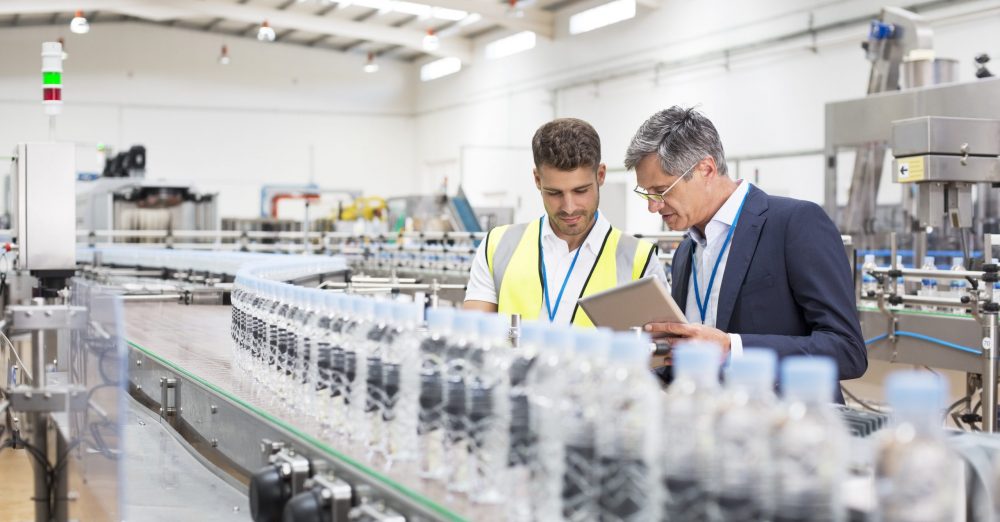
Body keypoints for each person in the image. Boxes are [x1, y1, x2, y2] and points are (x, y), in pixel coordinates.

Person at [626, 106, 866, 397]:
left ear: (706, 169)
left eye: (661, 191)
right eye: (647, 194)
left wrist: (732, 347)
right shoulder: (685, 252)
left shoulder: (795, 223)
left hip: (785, 428)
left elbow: (847, 350)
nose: (653, 206)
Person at [464, 118, 666, 326]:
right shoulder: (498, 246)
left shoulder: (640, 261)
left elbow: (655, 353)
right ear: (537, 180)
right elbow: (472, 337)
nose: (569, 207)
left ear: (601, 175)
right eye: (554, 193)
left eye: (580, 191)